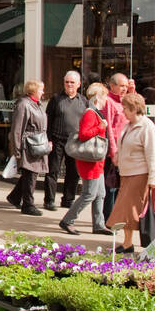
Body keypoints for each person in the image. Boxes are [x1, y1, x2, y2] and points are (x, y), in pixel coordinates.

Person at [105, 92, 155, 253]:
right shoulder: (128, 126)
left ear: (135, 109)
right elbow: (123, 145)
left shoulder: (147, 127)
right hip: (126, 174)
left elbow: (152, 155)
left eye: (125, 109)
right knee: (127, 210)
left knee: (127, 210)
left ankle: (128, 243)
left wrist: (153, 178)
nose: (123, 112)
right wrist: (118, 156)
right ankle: (128, 242)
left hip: (139, 174)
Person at [59, 82, 112, 236]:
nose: (106, 100)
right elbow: (84, 135)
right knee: (89, 194)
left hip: (96, 161)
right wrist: (100, 127)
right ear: (97, 98)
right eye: (104, 96)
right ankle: (68, 220)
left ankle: (99, 224)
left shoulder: (94, 112)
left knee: (100, 193)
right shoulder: (90, 113)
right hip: (90, 161)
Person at [7, 80, 50, 216]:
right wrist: (16, 150)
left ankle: (15, 197)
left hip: (37, 143)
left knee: (30, 174)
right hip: (29, 145)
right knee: (30, 174)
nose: (43, 92)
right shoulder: (23, 104)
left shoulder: (36, 104)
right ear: (33, 90)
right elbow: (17, 128)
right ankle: (28, 204)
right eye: (41, 89)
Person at [44, 71, 86, 210]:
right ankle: (49, 200)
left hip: (75, 142)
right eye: (67, 82)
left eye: (72, 82)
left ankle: (68, 200)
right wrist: (49, 139)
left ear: (78, 84)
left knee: (73, 172)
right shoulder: (56, 99)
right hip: (57, 140)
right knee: (53, 171)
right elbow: (48, 121)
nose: (69, 85)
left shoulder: (83, 101)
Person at [101, 72, 130, 218]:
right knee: (111, 186)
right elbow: (110, 130)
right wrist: (113, 152)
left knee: (120, 186)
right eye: (121, 86)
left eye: (126, 86)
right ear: (112, 86)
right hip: (114, 152)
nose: (124, 88)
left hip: (125, 150)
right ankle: (109, 216)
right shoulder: (109, 102)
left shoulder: (124, 100)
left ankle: (117, 215)